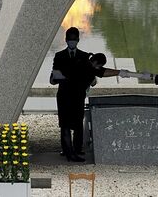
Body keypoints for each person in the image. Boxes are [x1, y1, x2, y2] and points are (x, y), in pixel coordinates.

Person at [50, 27, 121, 162]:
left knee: (77, 123)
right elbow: (54, 74)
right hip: (64, 95)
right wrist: (55, 77)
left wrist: (120, 72)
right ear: (66, 40)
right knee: (64, 124)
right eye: (70, 39)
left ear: (78, 40)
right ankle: (68, 153)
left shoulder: (84, 56)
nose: (72, 42)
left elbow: (99, 72)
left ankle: (76, 150)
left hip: (78, 95)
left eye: (74, 39)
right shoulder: (59, 56)